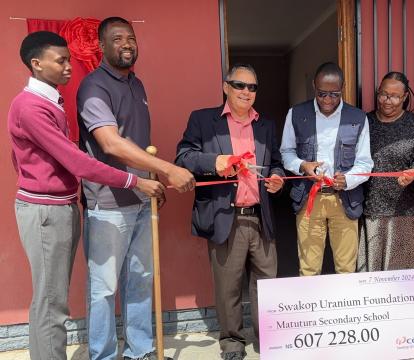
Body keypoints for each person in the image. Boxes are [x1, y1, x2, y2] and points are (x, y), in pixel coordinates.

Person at [8, 31, 164, 360]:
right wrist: (136, 180)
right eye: (61, 61)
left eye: (69, 59)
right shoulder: (30, 107)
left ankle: (139, 351)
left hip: (61, 207)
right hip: (47, 212)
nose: (68, 67)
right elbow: (79, 160)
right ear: (36, 64)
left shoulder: (51, 100)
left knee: (56, 299)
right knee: (52, 303)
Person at [77, 17, 195, 360]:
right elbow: (111, 143)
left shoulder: (136, 84)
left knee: (140, 280)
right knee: (103, 290)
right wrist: (168, 169)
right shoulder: (94, 86)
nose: (126, 43)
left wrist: (152, 181)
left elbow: (138, 144)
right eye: (117, 39)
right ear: (101, 46)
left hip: (142, 199)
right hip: (108, 205)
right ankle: (103, 355)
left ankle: (140, 351)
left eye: (130, 37)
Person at [176, 63, 284, 360]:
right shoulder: (203, 120)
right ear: (226, 87)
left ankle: (269, 340)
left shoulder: (265, 125)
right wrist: (216, 161)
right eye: (239, 85)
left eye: (252, 87)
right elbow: (184, 157)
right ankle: (233, 343)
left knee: (267, 283)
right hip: (227, 216)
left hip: (261, 216)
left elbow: (275, 161)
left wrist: (276, 178)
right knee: (228, 287)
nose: (246, 92)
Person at [280, 62, 373, 275]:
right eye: (322, 94)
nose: (328, 100)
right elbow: (286, 153)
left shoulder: (358, 118)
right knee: (309, 267)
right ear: (314, 86)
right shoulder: (296, 114)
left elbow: (365, 162)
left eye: (334, 94)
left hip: (346, 200)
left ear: (343, 88)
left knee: (346, 267)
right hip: (309, 199)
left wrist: (348, 180)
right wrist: (302, 166)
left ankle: (343, 308)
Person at [355, 71, 414, 285]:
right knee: (374, 273)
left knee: (405, 276)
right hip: (372, 208)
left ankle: (408, 317)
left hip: (406, 210)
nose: (387, 100)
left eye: (394, 96)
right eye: (383, 94)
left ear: (404, 98)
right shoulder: (365, 122)